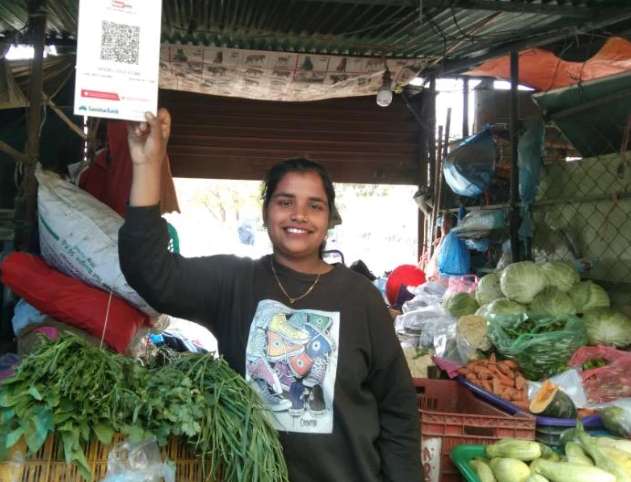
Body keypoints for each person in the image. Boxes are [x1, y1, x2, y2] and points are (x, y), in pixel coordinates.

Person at [119, 109, 423, 482]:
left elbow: (398, 408)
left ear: (329, 219)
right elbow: (149, 271)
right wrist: (148, 166)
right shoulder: (235, 281)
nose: (299, 215)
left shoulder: (360, 297)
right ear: (265, 213)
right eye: (285, 202)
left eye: (315, 205)